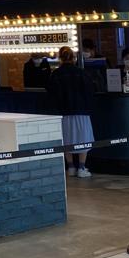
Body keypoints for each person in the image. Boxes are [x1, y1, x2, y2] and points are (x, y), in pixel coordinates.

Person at [47, 46, 96, 178]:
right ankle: (81, 167)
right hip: (82, 111)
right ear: (74, 58)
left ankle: (71, 167)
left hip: (64, 112)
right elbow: (90, 90)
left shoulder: (56, 74)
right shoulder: (81, 73)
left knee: (66, 139)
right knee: (83, 139)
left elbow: (51, 93)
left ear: (60, 58)